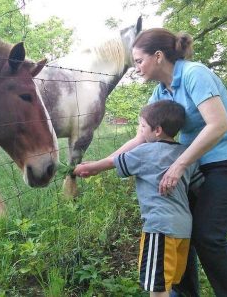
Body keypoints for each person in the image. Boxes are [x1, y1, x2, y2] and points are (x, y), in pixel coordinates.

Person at [76, 28, 227, 296]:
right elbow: (141, 139)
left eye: (138, 61)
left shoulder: (194, 74)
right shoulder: (161, 93)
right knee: (181, 231)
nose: (136, 68)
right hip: (197, 163)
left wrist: (179, 165)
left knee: (208, 237)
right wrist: (99, 165)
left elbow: (219, 125)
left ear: (158, 56)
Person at [74, 100, 204, 297]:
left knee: (157, 288)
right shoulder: (186, 155)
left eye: (142, 126)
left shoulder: (143, 152)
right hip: (184, 229)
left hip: (159, 229)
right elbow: (199, 186)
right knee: (170, 283)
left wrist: (87, 167)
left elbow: (107, 164)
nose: (140, 131)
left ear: (157, 130)